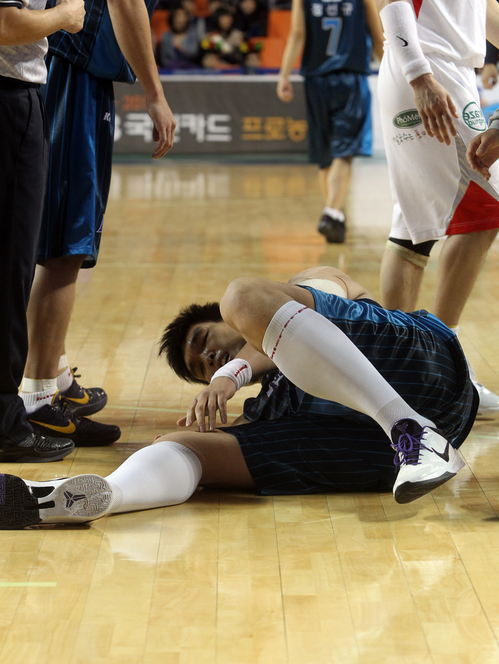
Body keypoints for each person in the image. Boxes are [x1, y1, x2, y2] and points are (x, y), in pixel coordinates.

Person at [0, 266, 477, 528]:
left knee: (242, 294)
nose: (205, 355)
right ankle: (79, 499)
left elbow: (306, 293)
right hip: (380, 458)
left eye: (201, 339)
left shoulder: (304, 285)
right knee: (179, 446)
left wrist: (231, 371)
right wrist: (197, 437)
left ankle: (408, 427)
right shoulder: (261, 406)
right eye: (199, 365)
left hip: (425, 367)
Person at [17, 0, 177, 448]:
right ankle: (38, 395)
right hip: (71, 70)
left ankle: (56, 372)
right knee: (65, 245)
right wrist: (155, 93)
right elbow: (127, 4)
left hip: (76, 70)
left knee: (69, 238)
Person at [377, 0, 499, 415]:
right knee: (487, 206)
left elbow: (487, 16)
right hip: (428, 69)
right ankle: (447, 374)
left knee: (410, 232)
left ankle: (402, 380)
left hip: (431, 68)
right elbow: (392, 3)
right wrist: (420, 75)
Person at [0, 0, 86, 462]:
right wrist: (65, 17)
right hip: (8, 100)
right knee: (9, 267)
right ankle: (5, 422)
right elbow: (6, 24)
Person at [276, 0, 383, 243]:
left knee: (325, 155)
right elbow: (378, 37)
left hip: (316, 81)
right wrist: (394, 74)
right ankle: (332, 213)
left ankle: (335, 216)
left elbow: (297, 34)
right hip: (351, 78)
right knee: (345, 151)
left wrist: (284, 75)